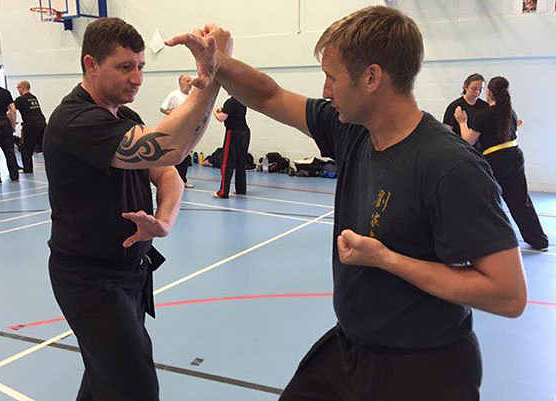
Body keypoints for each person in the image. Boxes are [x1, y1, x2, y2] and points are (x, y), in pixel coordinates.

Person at [168, 6, 527, 400]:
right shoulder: (353, 131)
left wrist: (388, 259)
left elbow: (508, 294)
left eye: (331, 77)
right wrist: (217, 62)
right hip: (351, 350)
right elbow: (269, 95)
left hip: (424, 370)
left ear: (372, 77)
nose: (325, 90)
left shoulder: (449, 166)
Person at [43, 17, 230, 400]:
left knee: (104, 380)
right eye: (125, 67)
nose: (137, 78)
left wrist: (164, 221)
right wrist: (210, 77)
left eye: (141, 66)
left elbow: (169, 173)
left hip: (129, 273)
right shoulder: (76, 121)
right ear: (91, 65)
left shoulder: (124, 116)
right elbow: (173, 146)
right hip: (90, 281)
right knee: (135, 387)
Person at [457, 76, 549, 251]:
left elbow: (468, 141)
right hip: (514, 156)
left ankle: (485, 241)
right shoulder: (510, 112)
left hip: (495, 161)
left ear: (489, 93)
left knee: (485, 200)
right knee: (520, 201)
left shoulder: (483, 116)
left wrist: (462, 122)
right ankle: (539, 241)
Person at [160, 74, 194, 188]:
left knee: (185, 155)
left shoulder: (192, 96)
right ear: (180, 82)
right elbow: (163, 108)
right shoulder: (174, 95)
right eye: (186, 81)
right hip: (176, 130)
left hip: (187, 130)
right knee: (175, 155)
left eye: (190, 81)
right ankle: (173, 180)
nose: (189, 83)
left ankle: (183, 180)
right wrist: (176, 116)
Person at [213, 96, 250, 198]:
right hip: (245, 132)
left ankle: (223, 192)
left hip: (234, 132)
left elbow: (222, 118)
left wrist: (215, 113)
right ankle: (241, 189)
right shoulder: (242, 100)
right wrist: (223, 110)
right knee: (240, 162)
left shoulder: (230, 102)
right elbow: (231, 113)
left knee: (227, 162)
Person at [443, 73, 488, 149]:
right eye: (474, 89)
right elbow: (446, 132)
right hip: (460, 148)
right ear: (465, 87)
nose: (477, 92)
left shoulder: (485, 106)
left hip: (481, 149)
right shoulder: (455, 106)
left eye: (480, 89)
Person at [14, 80, 47, 173]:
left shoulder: (20, 99)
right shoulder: (33, 97)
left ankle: (28, 169)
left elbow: (12, 109)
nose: (18, 90)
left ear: (22, 88)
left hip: (31, 125)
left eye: (18, 88)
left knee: (26, 149)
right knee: (44, 147)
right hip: (42, 123)